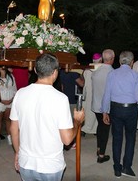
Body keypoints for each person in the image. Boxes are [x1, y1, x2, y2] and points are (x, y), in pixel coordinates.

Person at [10, 53, 85, 181]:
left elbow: (13, 129)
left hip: (26, 162)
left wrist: (18, 152)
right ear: (55, 72)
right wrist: (77, 122)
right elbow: (67, 140)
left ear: (35, 70)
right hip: (50, 166)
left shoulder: (20, 94)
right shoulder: (60, 99)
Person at [101, 51, 138, 178]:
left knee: (117, 138)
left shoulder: (112, 74)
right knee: (130, 138)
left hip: (115, 109)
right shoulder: (136, 75)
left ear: (120, 61)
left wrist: (105, 111)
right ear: (132, 62)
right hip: (130, 110)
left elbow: (107, 94)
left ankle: (117, 168)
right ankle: (126, 167)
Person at [91, 49, 115, 163]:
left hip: (96, 105)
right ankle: (101, 155)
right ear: (112, 59)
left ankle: (98, 148)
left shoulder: (96, 70)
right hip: (106, 107)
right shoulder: (112, 73)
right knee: (105, 129)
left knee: (100, 126)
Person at [0, 66, 17, 147]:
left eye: (4, 66)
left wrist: (11, 99)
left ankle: (9, 136)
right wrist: (0, 100)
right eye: (1, 66)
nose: (3, 67)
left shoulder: (11, 76)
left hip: (9, 101)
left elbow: (14, 89)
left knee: (8, 119)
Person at [81, 53, 102, 136]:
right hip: (97, 92)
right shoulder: (101, 69)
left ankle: (85, 129)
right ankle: (95, 130)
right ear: (100, 60)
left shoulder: (87, 70)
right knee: (95, 110)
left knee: (87, 110)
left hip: (88, 92)